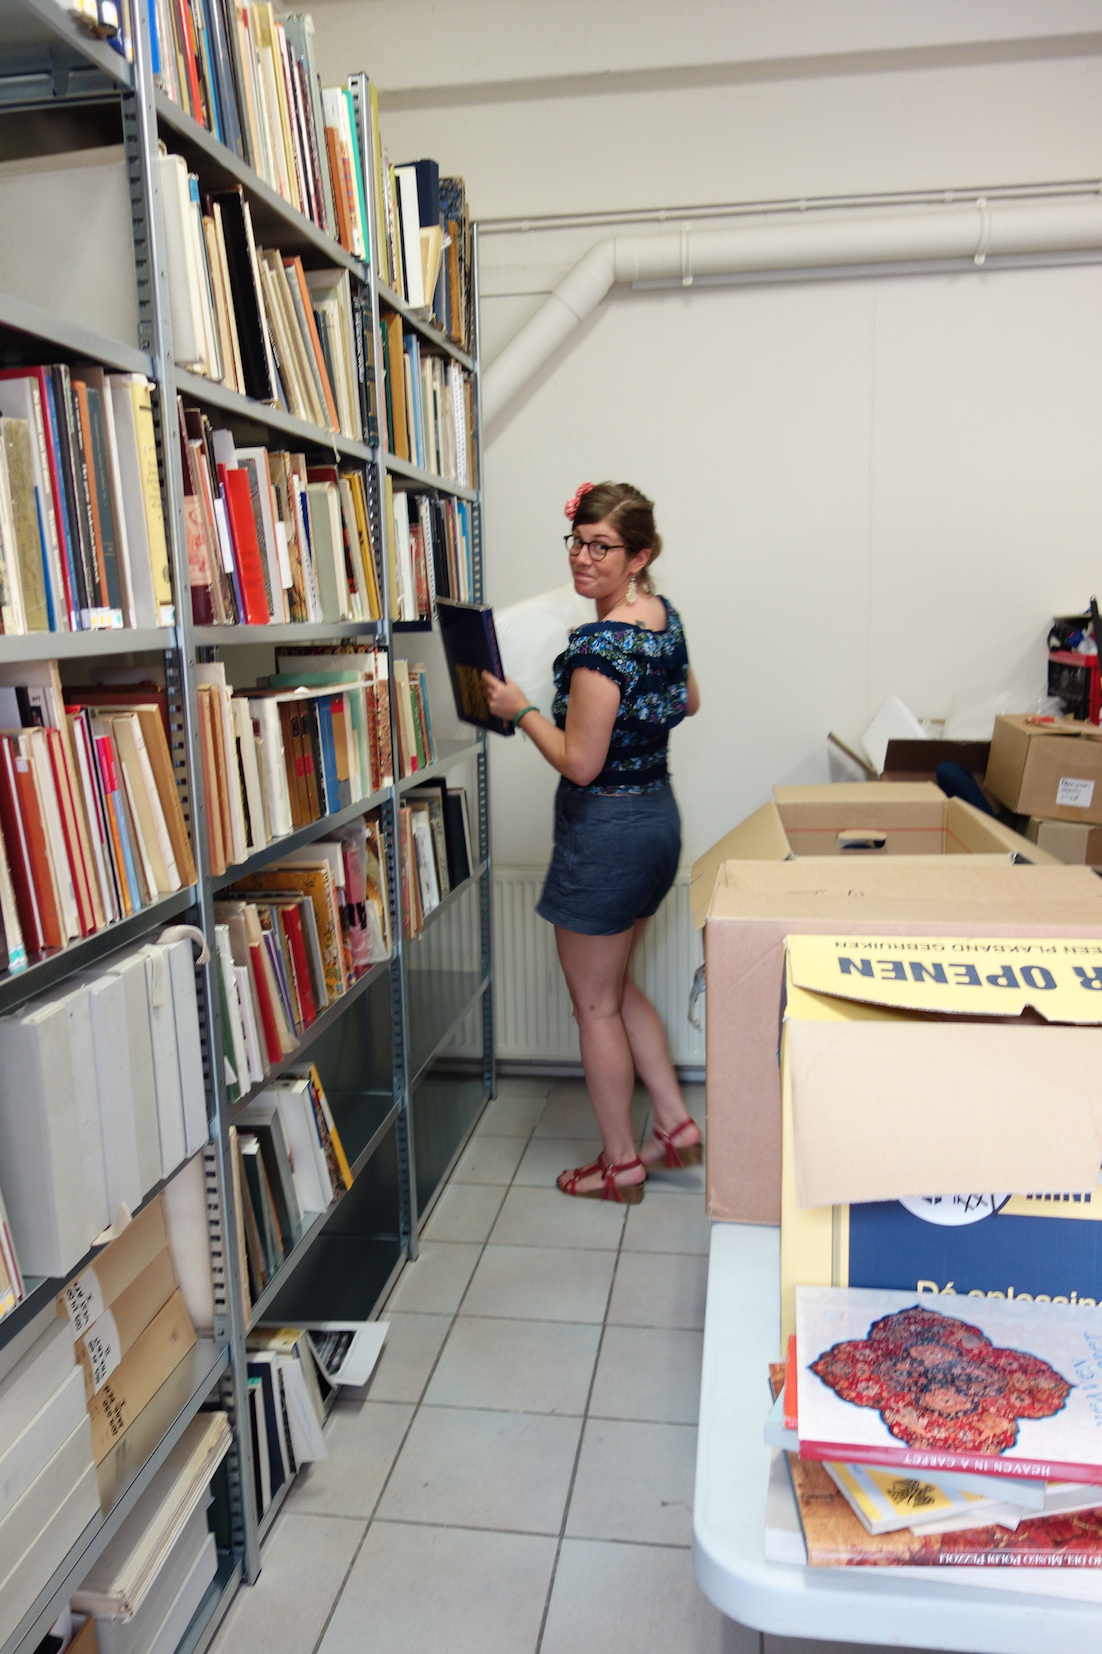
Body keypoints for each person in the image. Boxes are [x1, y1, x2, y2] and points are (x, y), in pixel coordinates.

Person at [481, 481, 701, 1204]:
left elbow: (581, 762)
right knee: (617, 985)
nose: (583, 557)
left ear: (639, 555)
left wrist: (521, 711)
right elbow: (687, 699)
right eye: (576, 540)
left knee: (595, 1005)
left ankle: (619, 1162)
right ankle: (672, 1123)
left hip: (606, 831)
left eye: (601, 546)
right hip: (656, 823)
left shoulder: (599, 648)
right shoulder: (662, 619)